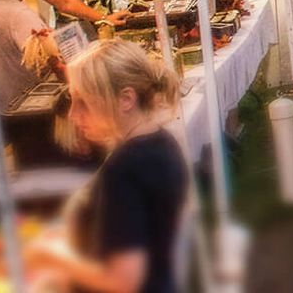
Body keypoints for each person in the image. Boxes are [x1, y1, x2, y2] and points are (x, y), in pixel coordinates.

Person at [22, 42, 187, 293]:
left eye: (83, 102)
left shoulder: (125, 170)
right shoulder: (162, 142)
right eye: (72, 99)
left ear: (126, 99)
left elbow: (122, 281)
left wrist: (52, 257)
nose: (73, 115)